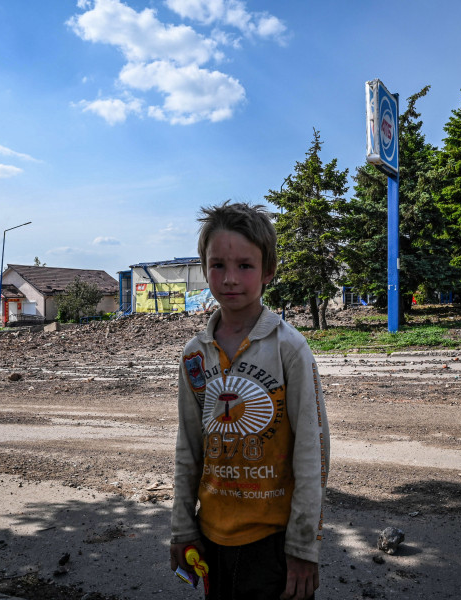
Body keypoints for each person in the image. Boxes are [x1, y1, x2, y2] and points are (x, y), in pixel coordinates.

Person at [170, 201, 330, 600]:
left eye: (245, 265)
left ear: (268, 271)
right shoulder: (194, 355)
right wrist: (182, 528)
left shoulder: (289, 349)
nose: (230, 279)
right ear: (204, 268)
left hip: (272, 543)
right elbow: (188, 445)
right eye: (218, 265)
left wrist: (303, 546)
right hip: (211, 537)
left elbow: (313, 449)